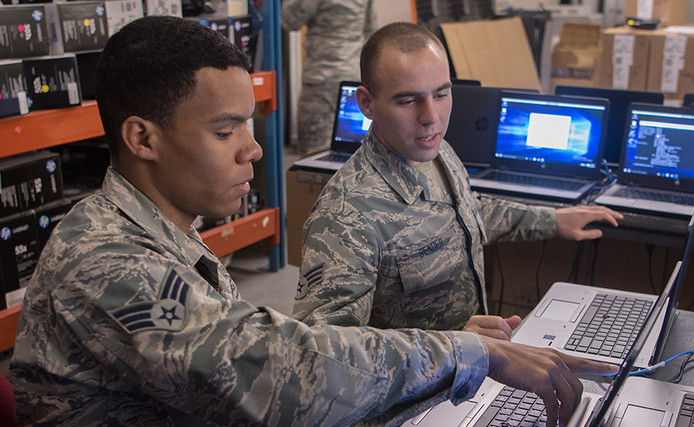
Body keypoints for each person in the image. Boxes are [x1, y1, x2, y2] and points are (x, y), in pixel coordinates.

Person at [9, 16, 615, 427]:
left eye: (249, 124)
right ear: (142, 137)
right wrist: (468, 354)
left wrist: (453, 339)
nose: (254, 150)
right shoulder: (107, 261)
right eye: (226, 131)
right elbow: (284, 374)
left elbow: (247, 341)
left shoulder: (163, 232)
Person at [294, 22, 624, 334]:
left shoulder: (438, 151)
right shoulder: (344, 216)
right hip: (423, 390)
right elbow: (326, 358)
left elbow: (466, 212)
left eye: (441, 94)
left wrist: (552, 220)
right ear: (366, 103)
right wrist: (451, 345)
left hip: (474, 370)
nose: (431, 117)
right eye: (408, 100)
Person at [282, 0, 378, 155]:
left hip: (321, 81)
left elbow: (289, 20)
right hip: (352, 79)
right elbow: (371, 29)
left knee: (315, 153)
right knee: (349, 150)